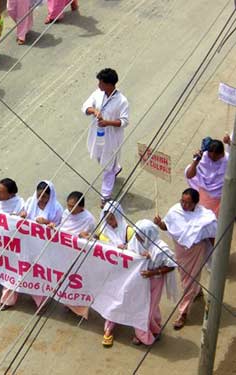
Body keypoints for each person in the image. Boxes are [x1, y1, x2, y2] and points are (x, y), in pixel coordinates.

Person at [154, 188, 217, 330]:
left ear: (195, 203)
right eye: (182, 201)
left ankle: (183, 313)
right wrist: (159, 223)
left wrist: (215, 253)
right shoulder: (175, 211)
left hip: (196, 251)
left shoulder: (205, 217)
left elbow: (212, 235)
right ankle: (198, 291)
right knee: (186, 278)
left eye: (188, 203)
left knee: (188, 282)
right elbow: (167, 226)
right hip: (180, 251)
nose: (184, 204)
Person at [82, 68, 129, 206]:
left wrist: (108, 122)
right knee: (98, 156)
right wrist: (94, 110)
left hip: (112, 138)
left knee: (107, 165)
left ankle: (105, 196)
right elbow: (85, 106)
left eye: (101, 83)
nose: (98, 85)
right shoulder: (98, 93)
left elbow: (124, 121)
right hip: (97, 134)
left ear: (109, 84)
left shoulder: (122, 101)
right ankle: (116, 168)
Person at [127, 220, 177, 346]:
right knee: (145, 306)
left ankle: (143, 335)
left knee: (146, 308)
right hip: (139, 281)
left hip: (154, 281)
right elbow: (130, 253)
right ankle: (154, 326)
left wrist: (153, 272)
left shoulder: (160, 248)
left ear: (147, 234)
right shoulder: (135, 240)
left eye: (140, 235)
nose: (137, 237)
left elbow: (171, 265)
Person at [20, 180, 63, 309]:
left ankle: (40, 298)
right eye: (39, 195)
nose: (41, 199)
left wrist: (48, 222)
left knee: (39, 273)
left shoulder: (57, 208)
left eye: (44, 196)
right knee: (22, 268)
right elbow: (22, 216)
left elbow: (60, 227)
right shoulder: (30, 202)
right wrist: (21, 216)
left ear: (50, 196)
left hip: (45, 247)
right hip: (27, 243)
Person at [98, 200, 134, 347]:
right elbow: (100, 245)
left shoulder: (129, 231)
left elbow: (137, 250)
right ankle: (109, 329)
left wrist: (126, 248)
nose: (109, 221)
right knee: (112, 299)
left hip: (127, 272)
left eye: (112, 218)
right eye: (107, 218)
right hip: (110, 273)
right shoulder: (103, 230)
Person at [0, 178, 25, 309]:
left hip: (13, 245)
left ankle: (7, 300)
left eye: (2, 192)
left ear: (10, 194)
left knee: (11, 272)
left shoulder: (20, 204)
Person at [185, 139, 228, 216]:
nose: (212, 159)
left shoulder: (228, 160)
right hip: (201, 188)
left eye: (215, 157)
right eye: (210, 156)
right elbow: (189, 175)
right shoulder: (204, 157)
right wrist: (195, 162)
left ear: (221, 154)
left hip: (217, 193)